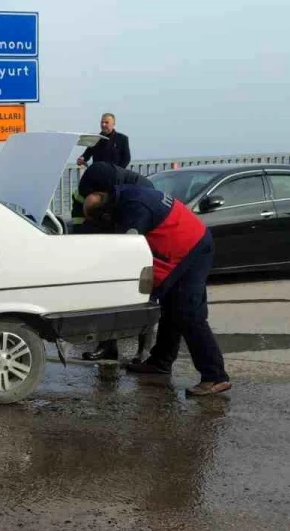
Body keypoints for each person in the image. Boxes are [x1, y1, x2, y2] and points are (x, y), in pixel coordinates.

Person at [82, 185, 231, 396]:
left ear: (105, 213)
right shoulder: (123, 196)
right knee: (171, 309)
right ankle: (160, 362)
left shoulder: (134, 209)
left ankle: (215, 376)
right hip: (186, 243)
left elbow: (128, 249)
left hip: (192, 249)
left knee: (189, 315)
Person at [73, 162, 157, 363]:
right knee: (106, 296)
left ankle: (144, 350)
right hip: (111, 241)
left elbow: (135, 234)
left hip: (138, 245)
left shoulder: (140, 193)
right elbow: (79, 217)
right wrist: (79, 239)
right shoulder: (86, 190)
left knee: (143, 296)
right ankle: (107, 347)